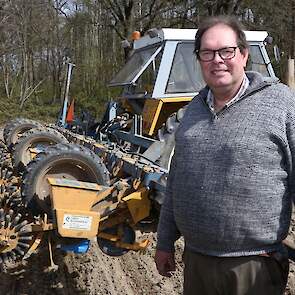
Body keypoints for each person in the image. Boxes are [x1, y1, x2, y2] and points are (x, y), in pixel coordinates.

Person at [155, 15, 295, 295]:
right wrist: (165, 241)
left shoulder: (281, 103)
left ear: (243, 55)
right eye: (207, 53)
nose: (217, 59)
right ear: (199, 60)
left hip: (254, 266)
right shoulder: (193, 110)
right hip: (196, 263)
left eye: (226, 51)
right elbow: (176, 182)